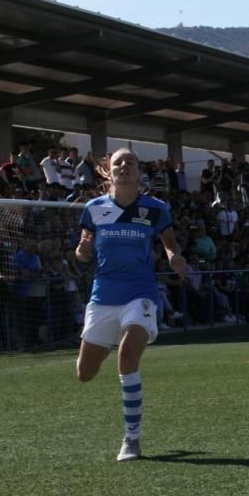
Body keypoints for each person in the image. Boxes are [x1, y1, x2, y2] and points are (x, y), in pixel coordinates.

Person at [74, 148, 188, 461]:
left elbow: (170, 244)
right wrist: (82, 250)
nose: (124, 166)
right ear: (108, 172)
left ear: (139, 173)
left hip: (140, 292)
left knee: (127, 356)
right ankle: (113, 338)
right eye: (118, 163)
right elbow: (82, 254)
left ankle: (131, 440)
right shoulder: (93, 209)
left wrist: (174, 257)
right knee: (84, 373)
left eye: (131, 162)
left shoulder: (156, 209)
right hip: (103, 296)